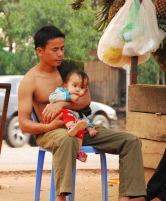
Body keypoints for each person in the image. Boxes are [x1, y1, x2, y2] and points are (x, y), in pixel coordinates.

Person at [18, 25, 146, 201]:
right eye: (55, 50)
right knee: (66, 138)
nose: (60, 54)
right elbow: (24, 124)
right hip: (51, 132)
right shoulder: (29, 81)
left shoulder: (70, 70)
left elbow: (86, 100)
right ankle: (61, 197)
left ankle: (130, 197)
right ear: (40, 51)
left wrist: (61, 103)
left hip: (82, 127)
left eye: (62, 48)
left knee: (131, 141)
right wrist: (50, 125)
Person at [48, 69, 98, 162]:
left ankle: (78, 152)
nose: (78, 89)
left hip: (68, 125)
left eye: (82, 87)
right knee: (67, 112)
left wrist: (89, 128)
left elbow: (83, 117)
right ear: (66, 86)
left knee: (80, 126)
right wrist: (68, 97)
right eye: (74, 85)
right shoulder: (61, 91)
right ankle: (72, 127)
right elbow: (52, 98)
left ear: (85, 90)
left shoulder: (78, 104)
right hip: (53, 118)